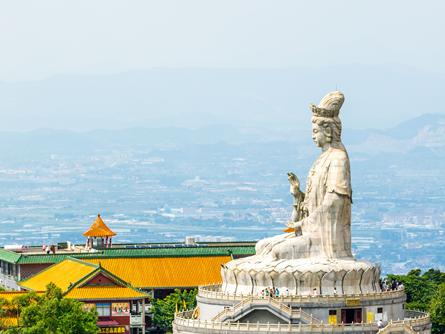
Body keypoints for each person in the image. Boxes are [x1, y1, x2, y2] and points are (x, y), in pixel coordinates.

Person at [255, 91, 353, 261]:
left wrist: (302, 224)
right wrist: (297, 195)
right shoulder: (321, 159)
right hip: (309, 229)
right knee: (261, 246)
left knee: (276, 253)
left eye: (316, 131)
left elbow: (333, 204)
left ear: (328, 131)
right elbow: (309, 207)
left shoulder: (338, 158)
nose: (313, 136)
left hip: (322, 237)